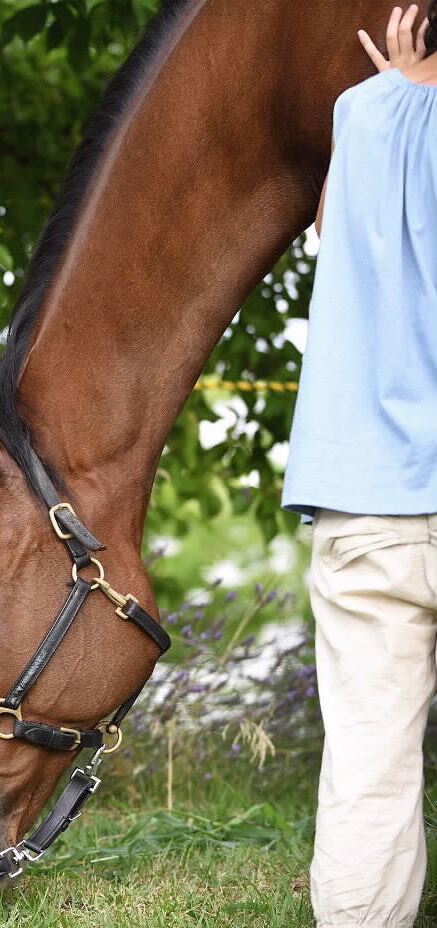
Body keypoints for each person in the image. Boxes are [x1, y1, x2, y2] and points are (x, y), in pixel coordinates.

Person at [282, 7, 437, 927]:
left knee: (368, 773)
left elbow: (329, 232)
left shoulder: (359, 115)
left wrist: (382, 102)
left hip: (366, 507)